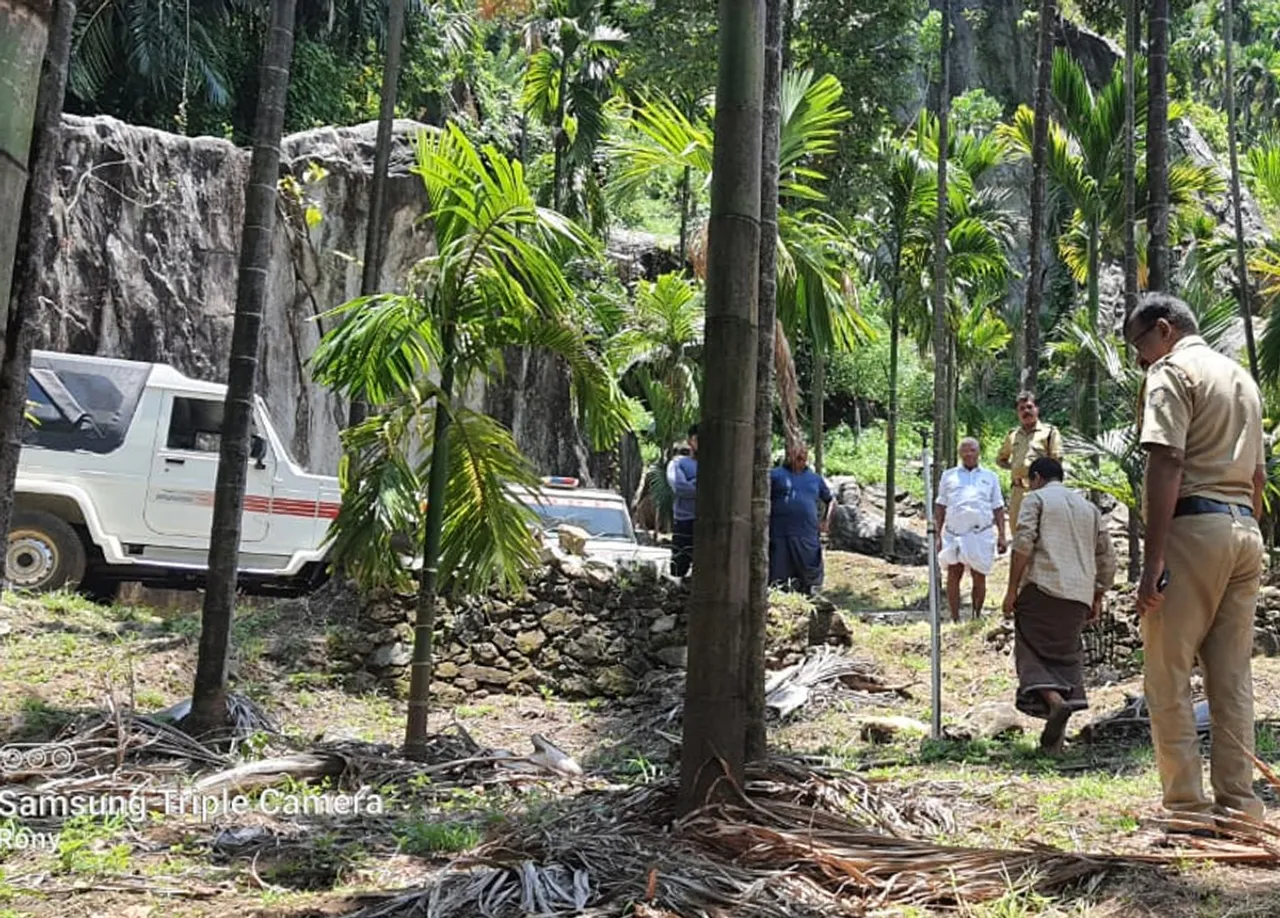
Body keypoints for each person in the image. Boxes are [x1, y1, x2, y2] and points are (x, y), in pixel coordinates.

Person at [1127, 292, 1267, 833]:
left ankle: (1186, 810)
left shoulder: (1172, 371)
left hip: (1193, 527)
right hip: (1242, 530)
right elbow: (1257, 476)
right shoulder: (1240, 378)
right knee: (1231, 679)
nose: (1140, 360)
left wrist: (1153, 559)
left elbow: (1168, 458)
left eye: (1139, 346)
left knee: (1168, 672)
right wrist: (1245, 527)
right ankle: (1239, 808)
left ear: (1163, 330)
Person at [1001, 458, 1116, 754]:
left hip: (1042, 588)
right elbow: (1106, 557)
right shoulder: (1089, 510)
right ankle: (1055, 743)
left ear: (1036, 477)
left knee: (1030, 651)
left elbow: (1023, 542)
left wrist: (1012, 589)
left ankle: (1055, 702)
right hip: (1078, 595)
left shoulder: (1035, 499)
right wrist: (1097, 595)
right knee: (1065, 658)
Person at [935, 437, 1006, 622]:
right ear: (960, 453)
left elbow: (998, 507)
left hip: (981, 533)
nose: (968, 454)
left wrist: (1002, 536)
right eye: (965, 450)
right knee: (953, 574)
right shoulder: (948, 476)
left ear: (979, 452)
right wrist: (937, 534)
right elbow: (941, 505)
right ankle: (955, 618)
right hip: (954, 533)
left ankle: (976, 616)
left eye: (972, 450)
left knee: (979, 575)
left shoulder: (990, 477)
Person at [768, 442, 835, 594]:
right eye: (797, 452)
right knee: (778, 575)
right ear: (788, 454)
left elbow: (830, 500)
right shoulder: (774, 475)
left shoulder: (815, 479)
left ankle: (812, 596)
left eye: (804, 452)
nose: (801, 455)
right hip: (780, 533)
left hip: (807, 534)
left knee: (810, 573)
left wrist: (826, 521)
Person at [997, 391, 1063, 530]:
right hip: (1018, 491)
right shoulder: (1013, 435)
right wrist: (1015, 467)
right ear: (1017, 413)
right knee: (1017, 529)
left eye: (1029, 407)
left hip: (1040, 489)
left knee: (1042, 530)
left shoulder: (1049, 433)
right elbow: (1001, 459)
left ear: (1036, 409)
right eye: (1021, 409)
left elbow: (1057, 461)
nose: (1026, 411)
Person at [666, 424, 698, 577]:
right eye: (698, 439)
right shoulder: (677, 463)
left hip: (709, 522)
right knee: (678, 567)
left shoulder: (717, 465)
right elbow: (680, 488)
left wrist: (692, 481)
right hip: (684, 521)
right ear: (690, 441)